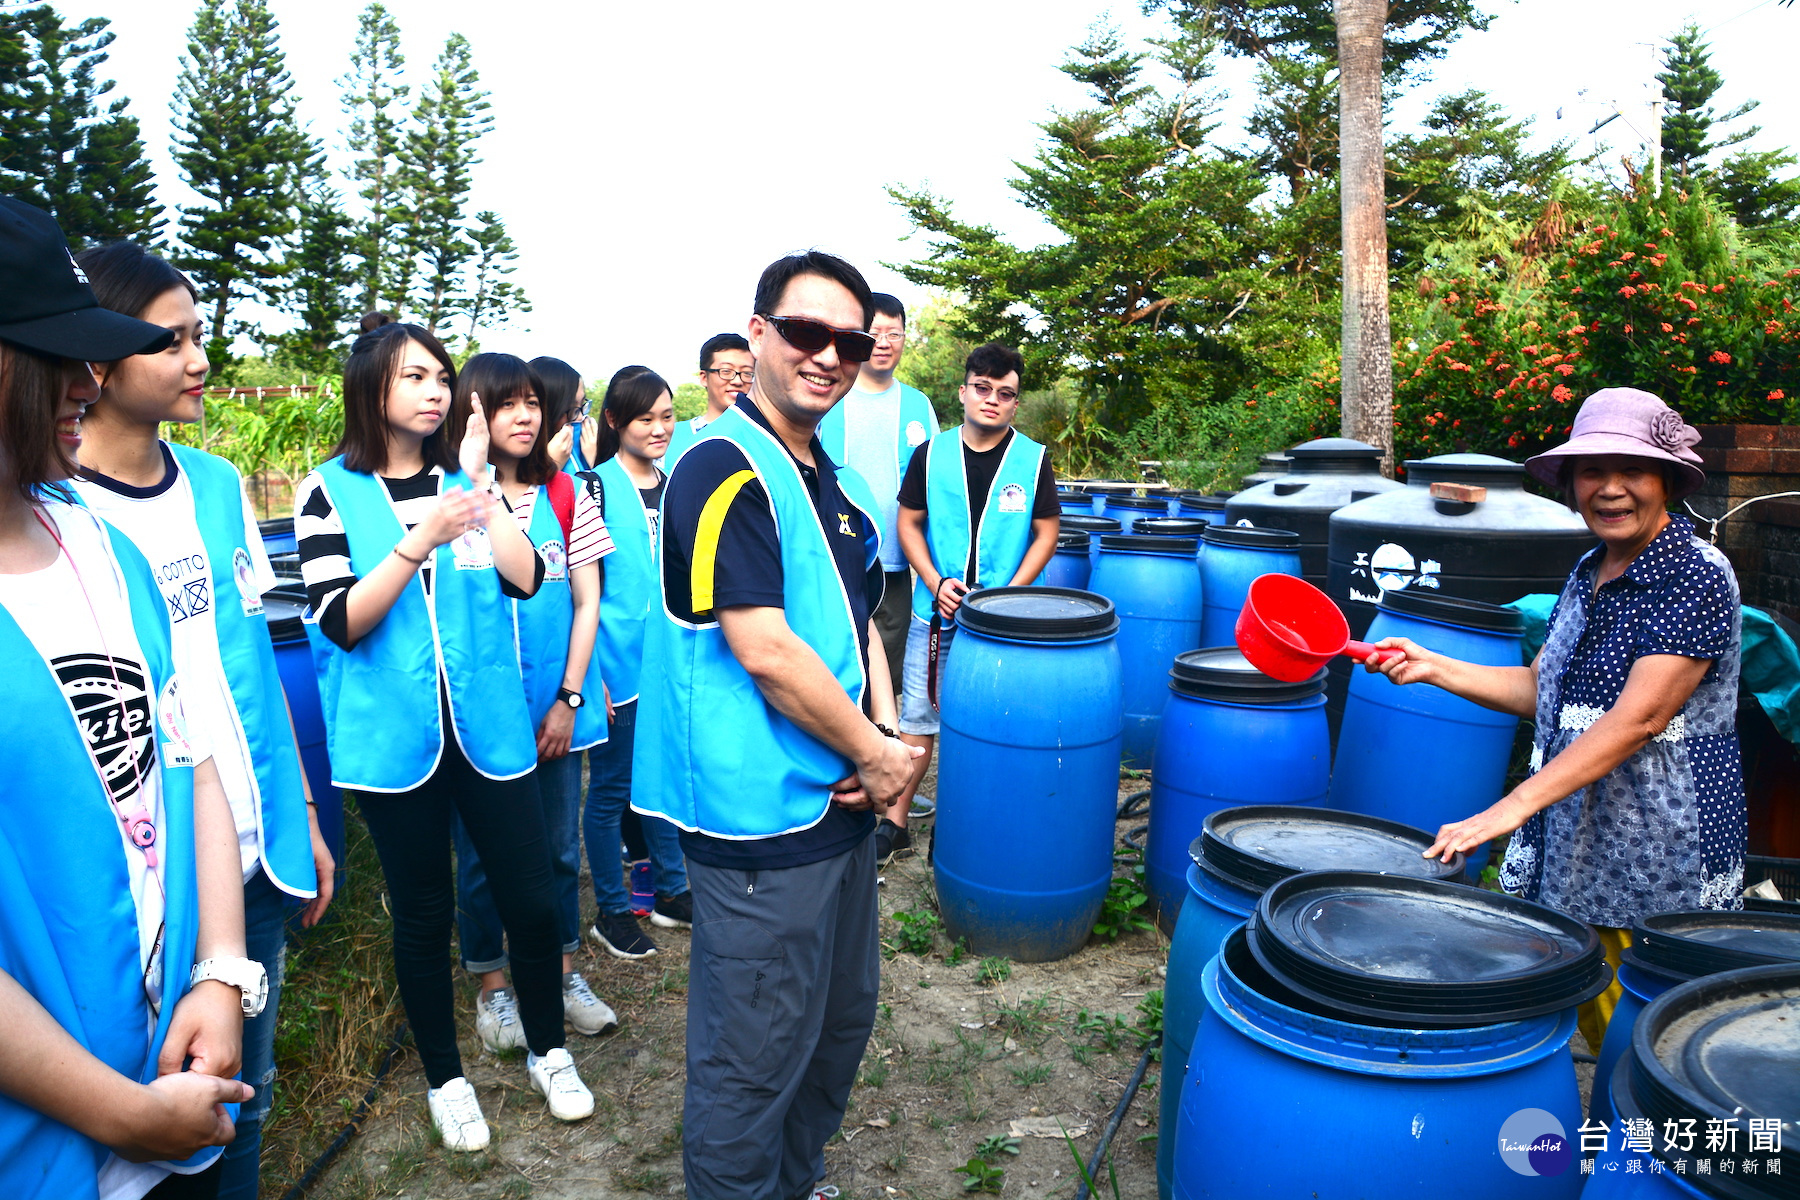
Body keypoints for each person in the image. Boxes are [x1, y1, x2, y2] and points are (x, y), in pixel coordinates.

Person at [634, 251, 920, 1200]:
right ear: (757, 334)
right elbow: (765, 649)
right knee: (751, 1059)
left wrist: (887, 751)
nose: (830, 355)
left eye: (850, 339)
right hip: (760, 824)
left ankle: (796, 1183)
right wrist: (877, 754)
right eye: (807, 332)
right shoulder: (721, 467)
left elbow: (855, 628)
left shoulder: (828, 485)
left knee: (836, 1028)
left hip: (838, 806)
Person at [0, 195, 256, 1197]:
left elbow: (184, 758)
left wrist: (222, 971)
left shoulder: (100, 547)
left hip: (172, 1084)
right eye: (59, 358)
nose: (86, 383)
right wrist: (116, 1113)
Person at [70, 241, 336, 1200]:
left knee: (240, 1099)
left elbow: (257, 662)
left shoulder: (218, 486)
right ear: (94, 360)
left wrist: (301, 813)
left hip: (251, 852)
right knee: (140, 1127)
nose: (200, 361)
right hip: (142, 866)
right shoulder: (54, 513)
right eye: (170, 342)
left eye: (199, 336)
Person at [294, 323, 593, 1150]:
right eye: (414, 376)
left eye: (440, 377)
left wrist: (477, 491)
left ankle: (549, 1050)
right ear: (372, 388)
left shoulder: (471, 481)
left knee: (531, 902)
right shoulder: (327, 493)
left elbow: (528, 578)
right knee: (424, 916)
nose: (434, 391)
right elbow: (340, 621)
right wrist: (419, 537)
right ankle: (446, 1079)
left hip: (490, 730)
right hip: (393, 745)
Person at [1378, 388, 1746, 1052]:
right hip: (1576, 839)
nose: (1610, 489)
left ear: (1665, 479)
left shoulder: (1695, 575)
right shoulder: (1588, 570)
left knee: (1654, 1045)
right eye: (1591, 471)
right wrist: (1432, 665)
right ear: (1572, 484)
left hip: (1657, 852)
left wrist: (1507, 809)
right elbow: (1542, 692)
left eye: (1630, 470)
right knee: (1595, 1025)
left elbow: (1640, 718)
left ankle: (1639, 1153)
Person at [442, 353, 619, 1051]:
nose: (522, 416)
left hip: (554, 710)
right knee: (480, 856)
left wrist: (569, 698)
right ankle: (493, 990)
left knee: (555, 849)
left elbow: (586, 601)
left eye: (530, 404)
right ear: (472, 414)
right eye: (502, 404)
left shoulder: (570, 495)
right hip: (481, 719)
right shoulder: (449, 497)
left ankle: (563, 973)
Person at [888, 342, 1059, 863]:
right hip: (932, 614)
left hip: (1004, 624)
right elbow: (908, 522)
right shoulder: (931, 454)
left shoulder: (1032, 460)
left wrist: (1009, 597)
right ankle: (895, 822)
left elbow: (1046, 531)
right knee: (917, 718)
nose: (991, 400)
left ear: (1015, 403)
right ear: (963, 392)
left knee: (986, 724)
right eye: (982, 389)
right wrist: (935, 580)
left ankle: (962, 820)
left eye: (1004, 394)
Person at [578, 365, 693, 960]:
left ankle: (673, 891)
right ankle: (613, 911)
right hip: (614, 669)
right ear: (616, 420)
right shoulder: (589, 489)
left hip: (666, 666)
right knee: (612, 789)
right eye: (645, 418)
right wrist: (588, 674)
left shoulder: (676, 485)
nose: (659, 428)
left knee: (663, 776)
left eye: (668, 416)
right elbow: (585, 593)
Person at [816, 294, 939, 709]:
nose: (884, 342)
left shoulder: (918, 404)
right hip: (838, 556)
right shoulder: (832, 397)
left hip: (897, 561)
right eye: (875, 333)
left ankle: (879, 744)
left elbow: (932, 482)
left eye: (895, 333)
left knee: (888, 662)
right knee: (838, 654)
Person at [663, 332, 753, 468]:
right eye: (726, 371)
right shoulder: (670, 437)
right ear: (704, 377)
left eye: (747, 373)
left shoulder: (761, 437)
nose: (737, 381)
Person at [533, 356, 596, 474]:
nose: (580, 418)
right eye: (572, 409)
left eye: (582, 404)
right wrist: (551, 467)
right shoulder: (510, 461)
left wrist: (597, 463)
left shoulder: (584, 450)